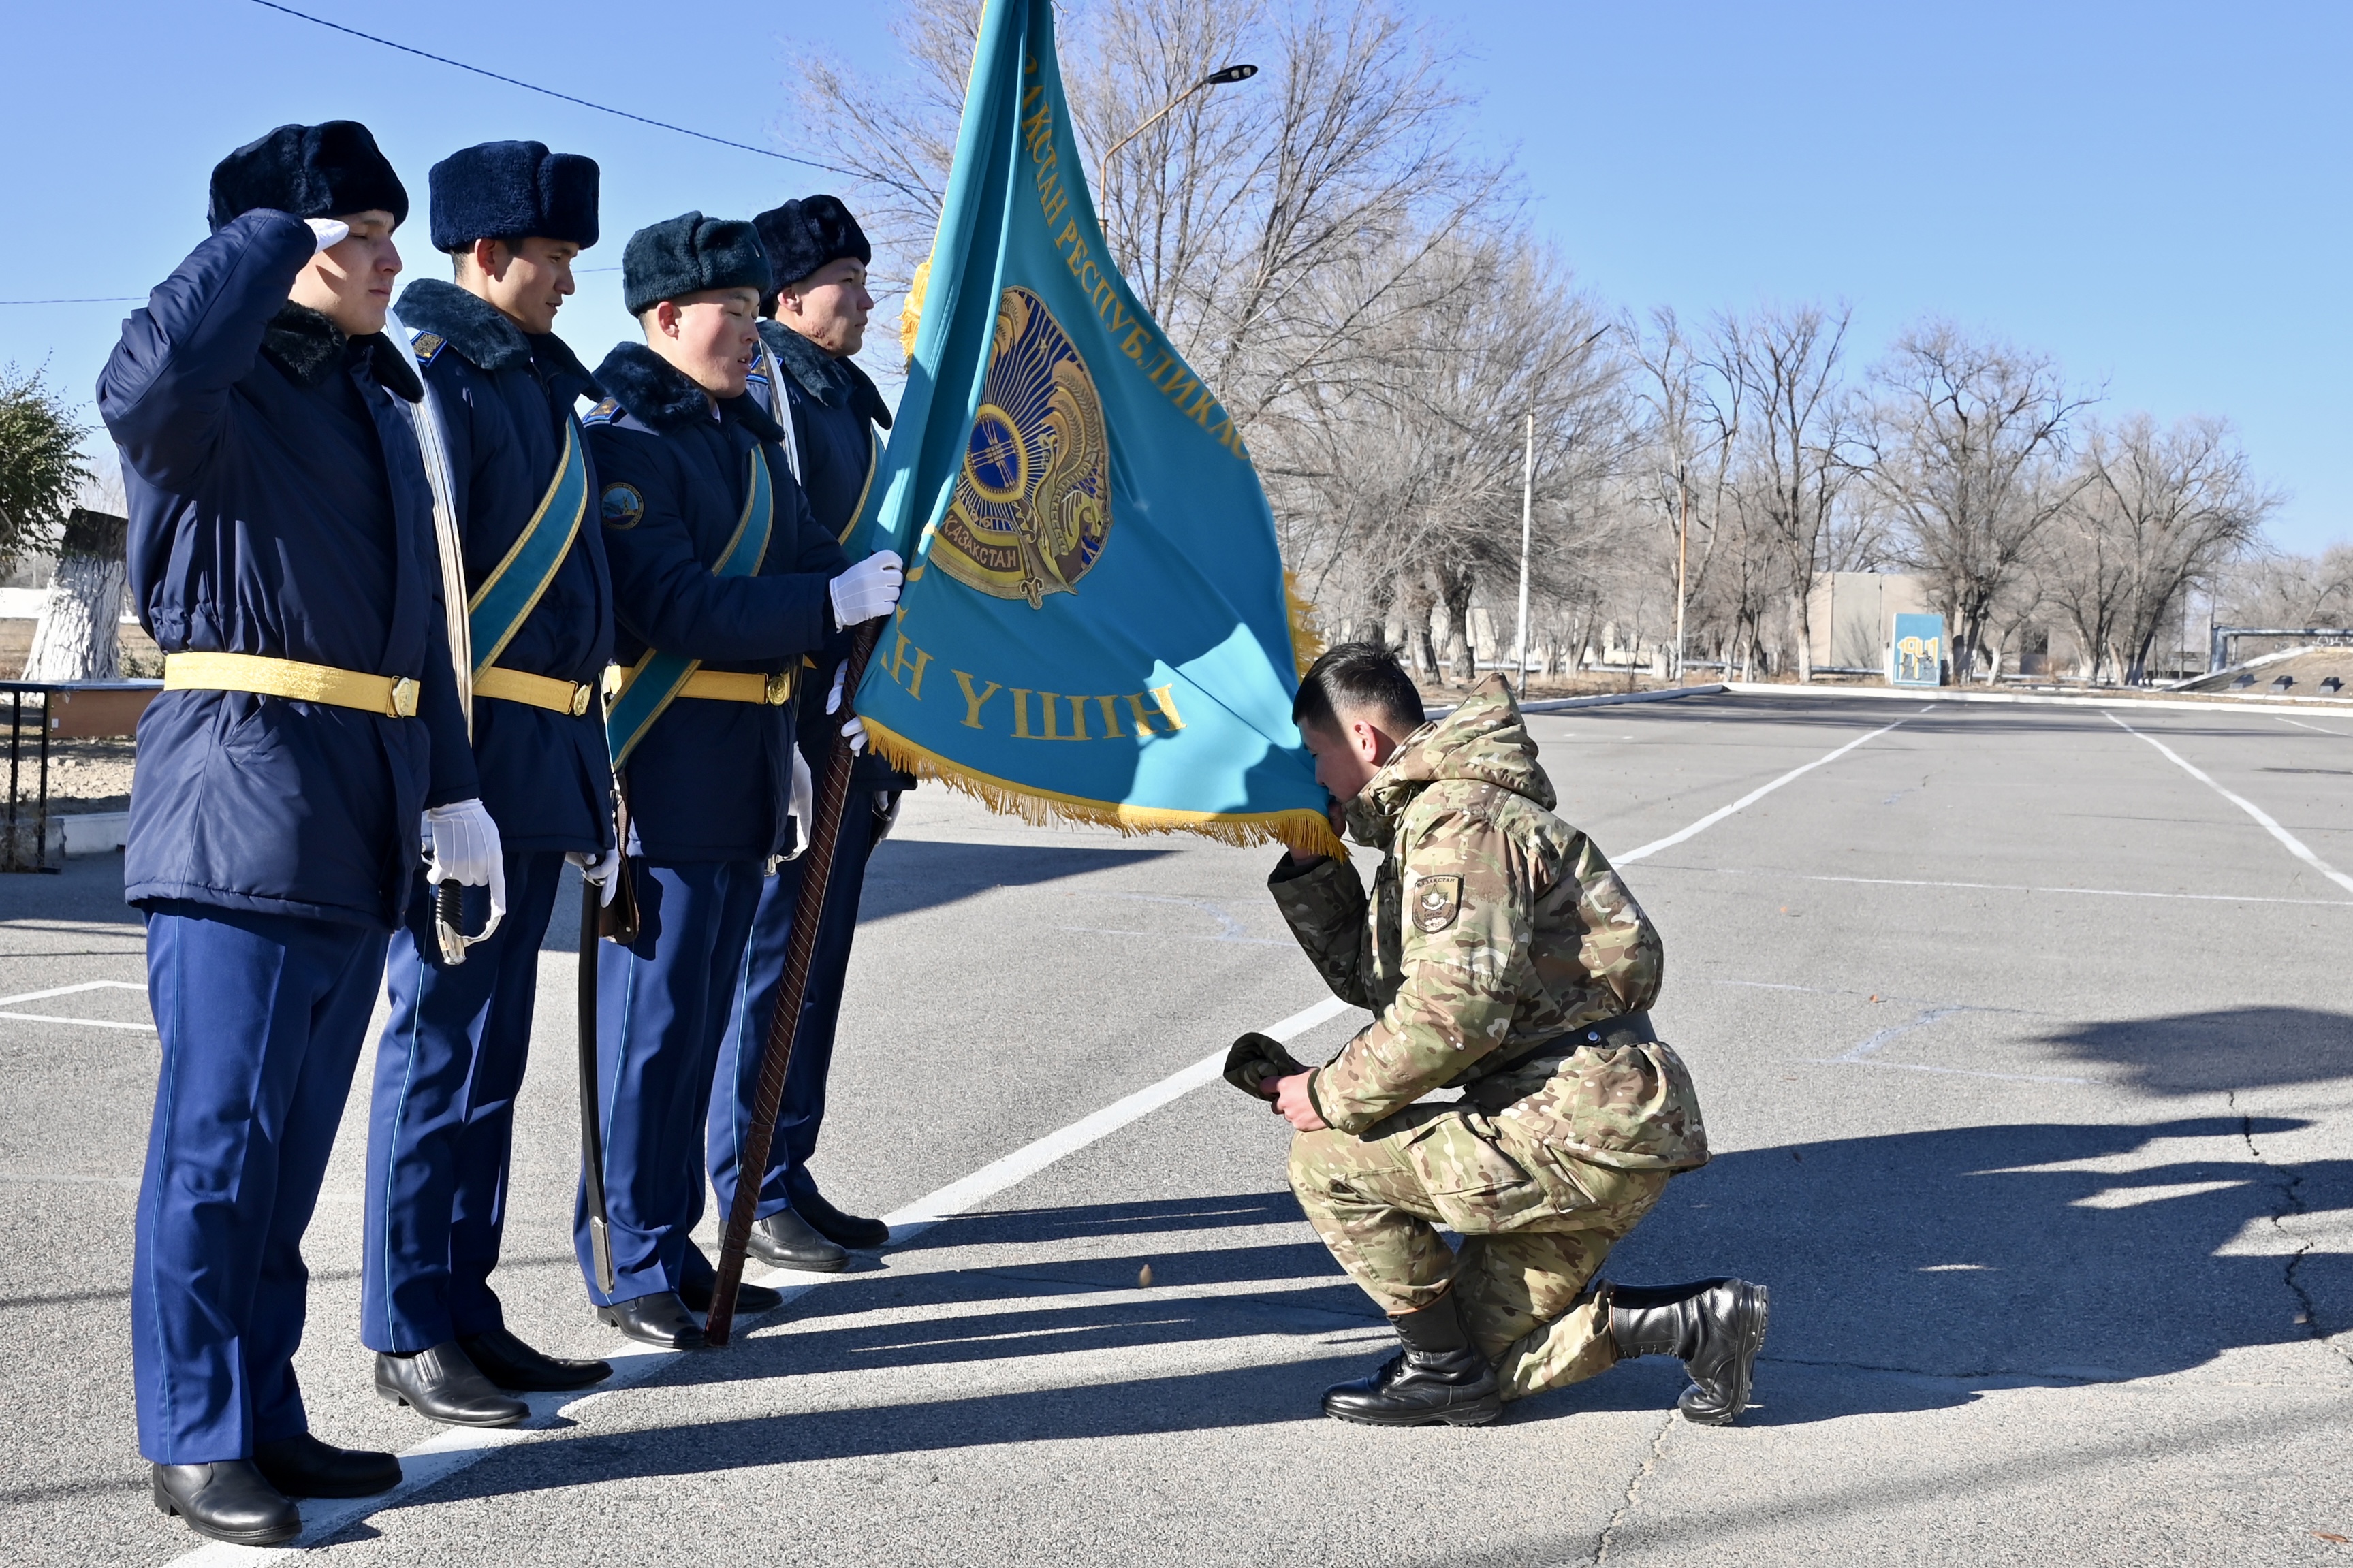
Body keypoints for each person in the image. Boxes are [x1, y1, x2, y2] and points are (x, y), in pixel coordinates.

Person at [99, 121, 499, 1545]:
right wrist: (276, 220)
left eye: (394, 234)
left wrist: (452, 787)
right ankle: (194, 1430)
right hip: (241, 801)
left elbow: (419, 627)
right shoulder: (212, 394)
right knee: (218, 1145)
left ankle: (262, 1409)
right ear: (268, 246)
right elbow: (140, 374)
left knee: (285, 1153)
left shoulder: (374, 403)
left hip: (359, 802)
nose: (388, 261)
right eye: (357, 235)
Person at [1263, 645, 1763, 1428]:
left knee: (1325, 1157)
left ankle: (1437, 1371)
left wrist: (1325, 1092)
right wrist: (1310, 864)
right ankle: (1692, 1321)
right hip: (1595, 1118)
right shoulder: (1435, 821)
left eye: (1315, 751)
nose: (1314, 773)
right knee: (1476, 1354)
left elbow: (1451, 1013)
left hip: (1576, 1118)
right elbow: (1381, 986)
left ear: (1362, 742)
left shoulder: (1457, 823)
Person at [579, 212, 902, 1348]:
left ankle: (670, 1245)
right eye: (737, 313)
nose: (755, 334)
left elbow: (807, 550)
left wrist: (870, 580)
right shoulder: (627, 439)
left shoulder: (742, 437)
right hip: (664, 768)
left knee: (702, 1020)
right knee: (650, 1037)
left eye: (763, 311)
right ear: (668, 316)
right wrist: (828, 605)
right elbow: (674, 603)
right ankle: (627, 1260)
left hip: (748, 768)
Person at [359, 140, 620, 1430]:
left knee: (493, 1063)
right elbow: (434, 603)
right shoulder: (443, 386)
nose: (572, 282)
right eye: (555, 258)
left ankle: (466, 1303)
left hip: (542, 765)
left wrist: (599, 794)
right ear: (486, 257)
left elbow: (580, 623)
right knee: (439, 1048)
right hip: (470, 769)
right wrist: (438, 787)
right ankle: (407, 1322)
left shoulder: (535, 393)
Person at [704, 195, 904, 1273]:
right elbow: (776, 556)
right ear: (789, 297)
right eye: (847, 282)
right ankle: (748, 1182)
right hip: (797, 710)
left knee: (815, 964)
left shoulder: (847, 402)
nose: (865, 299)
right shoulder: (773, 386)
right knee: (774, 963)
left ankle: (788, 1163)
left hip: (854, 724)